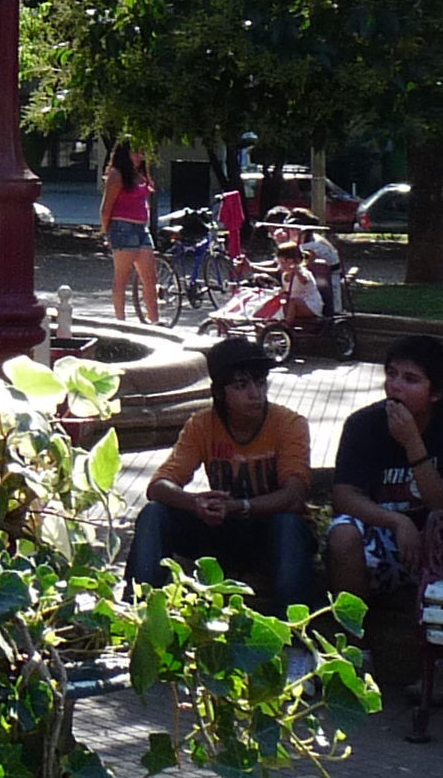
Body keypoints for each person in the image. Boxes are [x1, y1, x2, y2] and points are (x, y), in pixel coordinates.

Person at [127, 338, 314, 616]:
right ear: (220, 392)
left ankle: (295, 634)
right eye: (241, 386)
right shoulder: (202, 425)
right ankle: (137, 612)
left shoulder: (289, 424)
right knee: (154, 514)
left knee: (289, 524)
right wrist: (195, 503)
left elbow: (295, 495)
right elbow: (158, 486)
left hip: (269, 532)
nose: (255, 394)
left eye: (260, 383)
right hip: (221, 529)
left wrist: (241, 507)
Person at [326, 334, 443, 605]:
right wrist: (397, 521)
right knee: (343, 533)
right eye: (391, 374)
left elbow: (439, 505)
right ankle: (355, 642)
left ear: (436, 393)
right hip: (384, 534)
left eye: (410, 380)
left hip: (436, 539)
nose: (395, 386)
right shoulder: (363, 424)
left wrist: (413, 443)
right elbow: (344, 496)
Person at [100, 138, 159, 321]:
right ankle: (120, 319)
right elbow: (106, 207)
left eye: (142, 152)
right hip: (122, 226)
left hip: (141, 228)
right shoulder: (117, 175)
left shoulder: (140, 174)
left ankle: (154, 319)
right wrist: (105, 231)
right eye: (136, 152)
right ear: (126, 153)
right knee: (122, 277)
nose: (140, 156)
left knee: (150, 277)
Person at [273, 240, 323, 326]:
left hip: (310, 305)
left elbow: (304, 281)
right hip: (294, 305)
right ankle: (270, 323)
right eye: (281, 262)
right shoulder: (285, 275)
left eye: (286, 262)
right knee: (277, 301)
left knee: (293, 302)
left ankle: (286, 326)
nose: (283, 265)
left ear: (296, 261)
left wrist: (296, 271)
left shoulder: (303, 273)